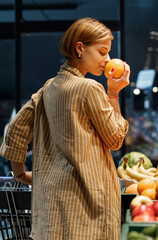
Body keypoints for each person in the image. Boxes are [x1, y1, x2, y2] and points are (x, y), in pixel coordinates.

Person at [0, 17, 130, 239]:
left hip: (51, 213)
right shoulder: (90, 88)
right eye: (102, 51)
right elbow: (115, 140)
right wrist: (113, 94)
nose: (107, 59)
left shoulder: (48, 88)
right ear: (79, 48)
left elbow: (15, 130)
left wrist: (21, 173)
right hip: (88, 210)